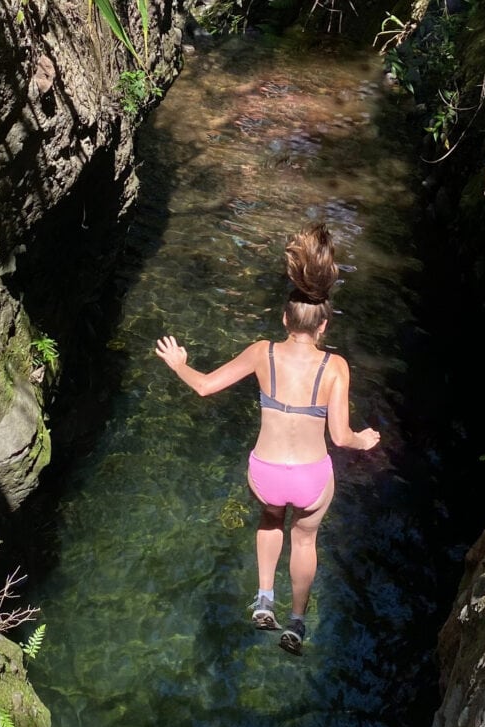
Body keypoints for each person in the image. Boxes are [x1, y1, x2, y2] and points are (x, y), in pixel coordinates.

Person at [155, 224, 380, 655]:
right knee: (305, 539)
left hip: (265, 473)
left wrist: (179, 363)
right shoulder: (336, 367)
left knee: (270, 520)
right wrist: (364, 441)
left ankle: (263, 600)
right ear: (324, 326)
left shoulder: (263, 352)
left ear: (284, 319)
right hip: (310, 479)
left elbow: (203, 386)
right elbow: (339, 435)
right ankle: (295, 623)